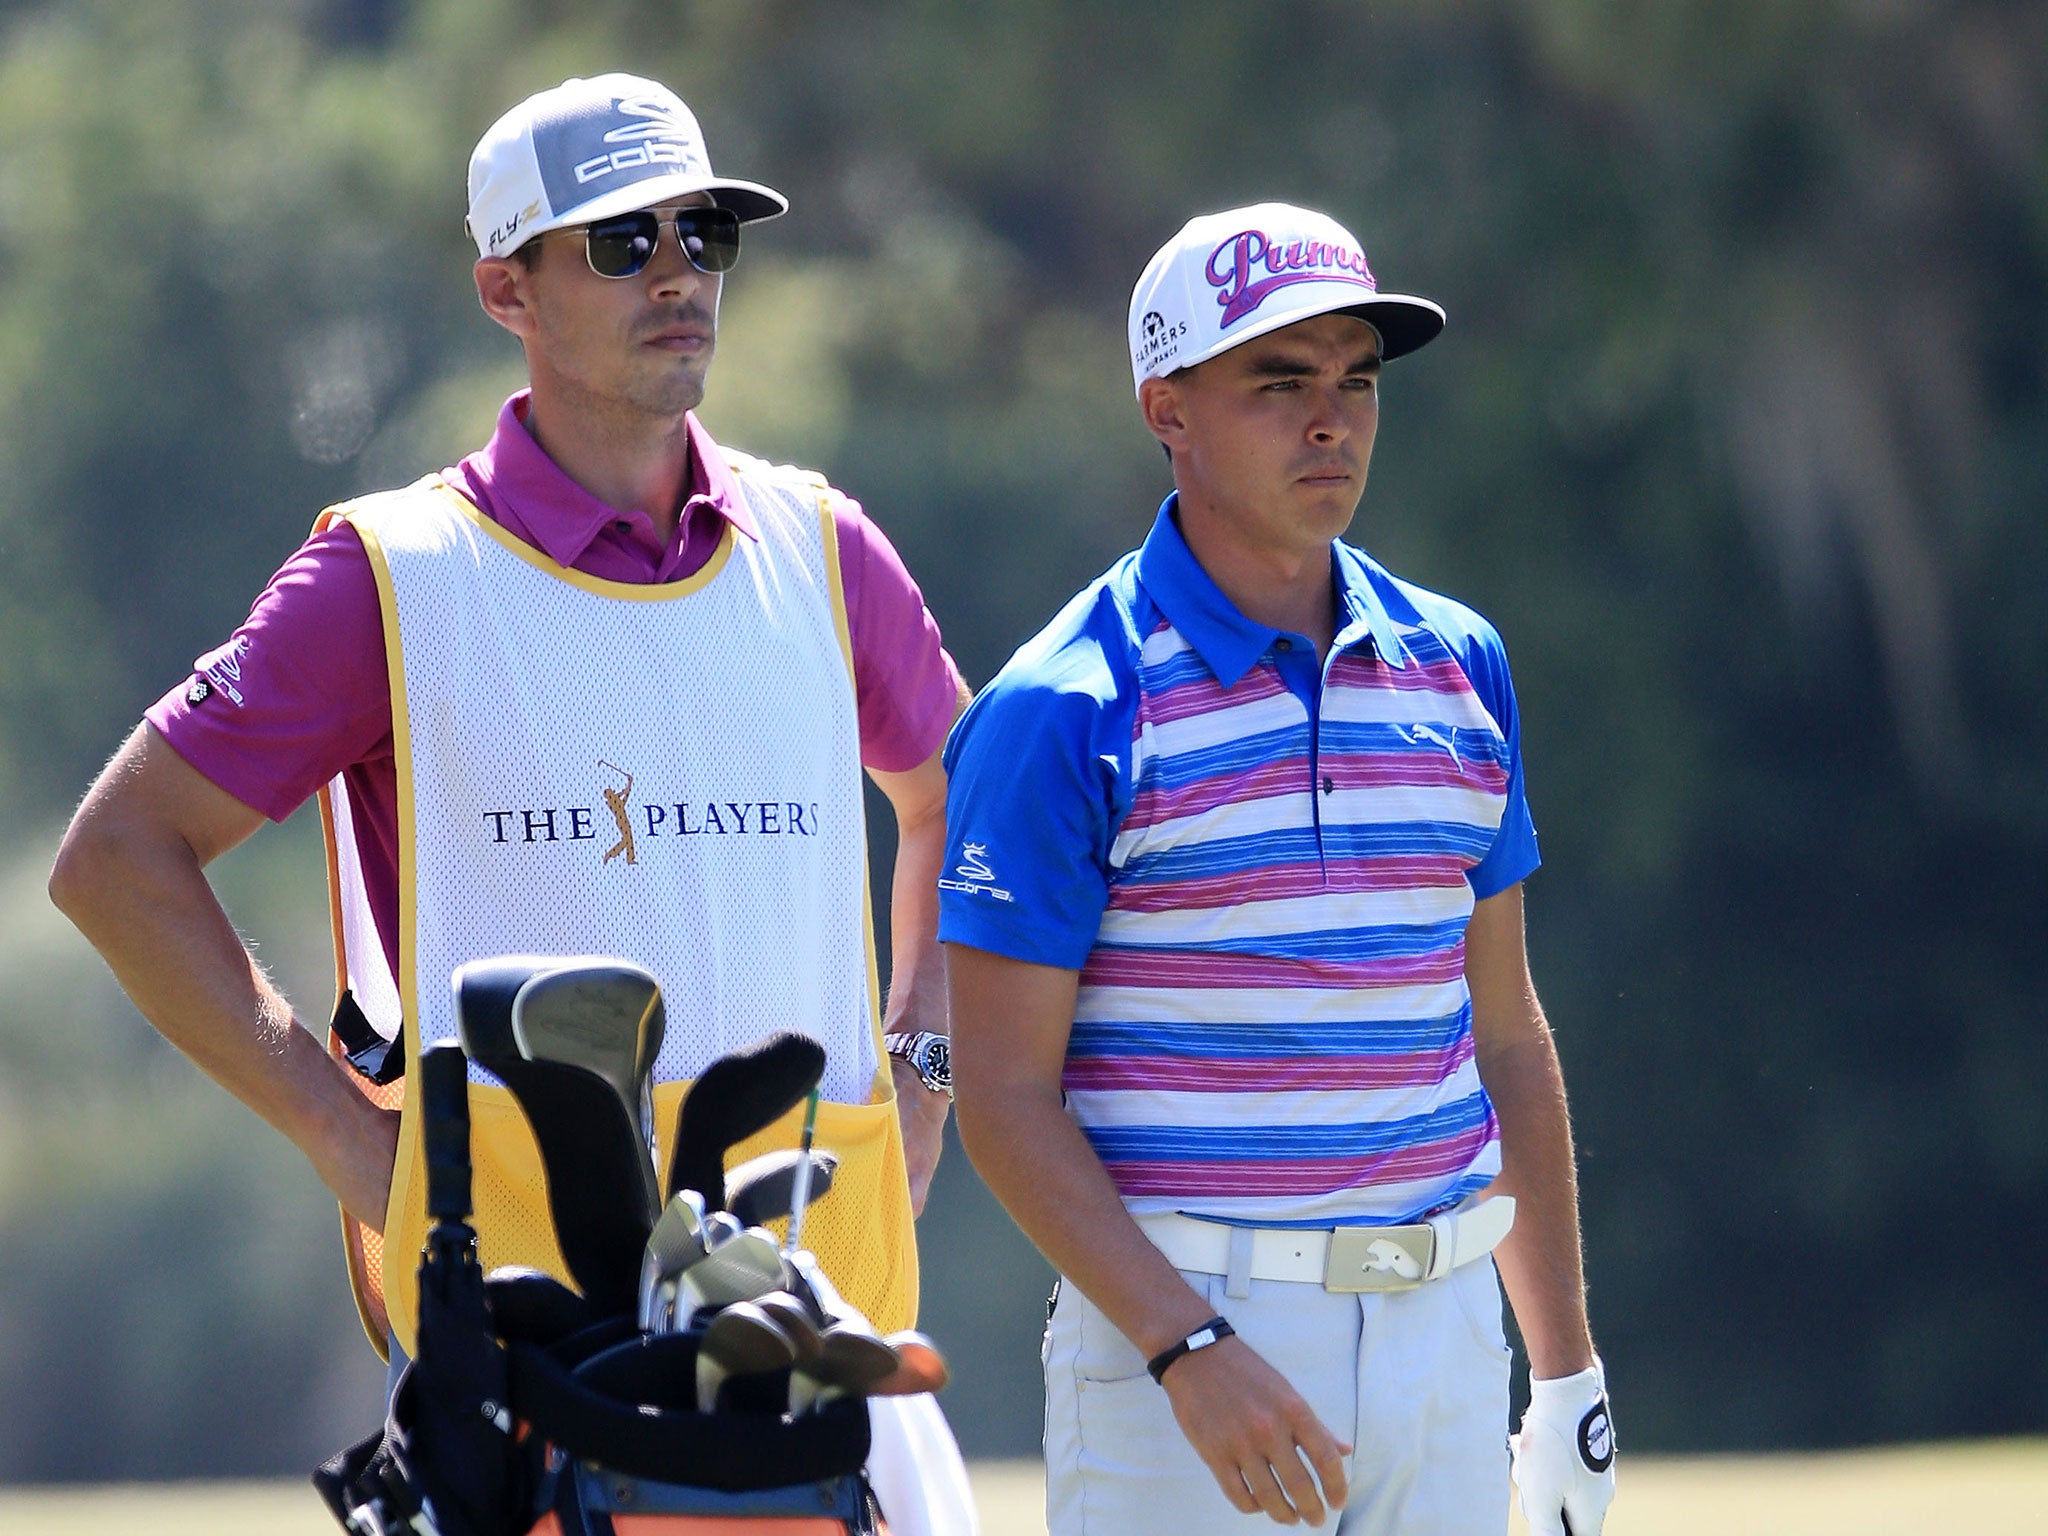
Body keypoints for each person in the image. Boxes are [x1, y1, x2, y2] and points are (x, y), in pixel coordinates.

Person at [50, 73, 971, 1530]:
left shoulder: (823, 545)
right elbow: (116, 860)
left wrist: (924, 1072)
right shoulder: (389, 576)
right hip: (534, 1336)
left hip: (826, 1307)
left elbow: (961, 811)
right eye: (620, 242)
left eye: (703, 231)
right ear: (506, 288)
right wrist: (346, 1131)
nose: (678, 273)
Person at [941, 203, 1616, 1535]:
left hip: (1446, 1334)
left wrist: (1568, 1368)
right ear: (1168, 408)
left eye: (1356, 381)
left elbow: (1505, 1039)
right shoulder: (1063, 706)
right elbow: (1003, 1101)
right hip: (1185, 1346)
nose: (1333, 421)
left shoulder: (1459, 662)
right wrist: (1186, 1348)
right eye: (1279, 382)